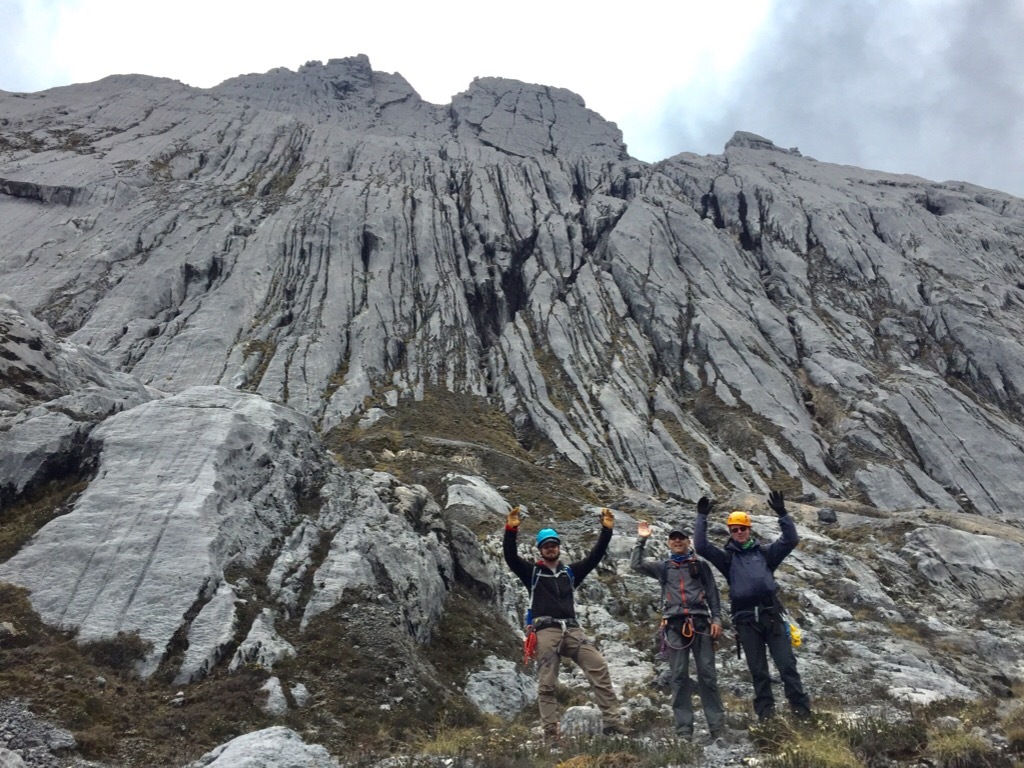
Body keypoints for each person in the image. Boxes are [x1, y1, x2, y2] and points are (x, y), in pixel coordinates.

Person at [503, 505, 631, 743]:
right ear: (541, 550)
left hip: (571, 630)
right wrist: (511, 530)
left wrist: (606, 531)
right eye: (546, 545)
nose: (551, 548)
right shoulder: (532, 572)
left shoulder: (570, 573)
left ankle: (612, 722)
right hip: (546, 630)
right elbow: (510, 557)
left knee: (598, 665)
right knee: (547, 683)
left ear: (559, 548)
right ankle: (551, 735)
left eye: (554, 544)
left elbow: (595, 556)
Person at [693, 490, 811, 721]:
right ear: (730, 532)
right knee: (759, 672)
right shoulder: (726, 558)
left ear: (750, 529)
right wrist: (701, 517)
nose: (738, 533)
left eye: (742, 528)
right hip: (746, 621)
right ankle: (767, 717)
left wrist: (782, 513)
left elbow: (790, 540)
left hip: (771, 616)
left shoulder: (766, 553)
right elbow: (701, 547)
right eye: (734, 529)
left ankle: (802, 714)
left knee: (787, 666)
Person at [630, 521, 725, 741]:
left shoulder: (700, 564)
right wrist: (642, 539)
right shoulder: (663, 566)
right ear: (669, 542)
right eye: (674, 538)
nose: (677, 541)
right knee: (679, 677)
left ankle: (717, 728)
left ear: (688, 540)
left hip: (701, 624)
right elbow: (635, 565)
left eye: (681, 537)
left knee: (708, 675)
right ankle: (684, 730)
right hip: (674, 626)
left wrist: (717, 619)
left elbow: (712, 593)